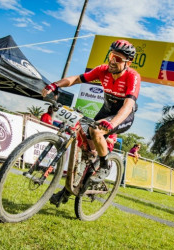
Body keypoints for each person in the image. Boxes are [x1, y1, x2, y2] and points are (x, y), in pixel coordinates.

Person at [42, 40, 141, 206]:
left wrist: (112, 124)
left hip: (123, 115)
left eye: (117, 59)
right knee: (85, 149)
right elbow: (76, 79)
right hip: (106, 109)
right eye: (111, 56)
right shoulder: (103, 70)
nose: (112, 61)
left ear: (128, 63)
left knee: (96, 132)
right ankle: (71, 187)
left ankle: (104, 165)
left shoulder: (133, 76)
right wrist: (54, 85)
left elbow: (128, 104)